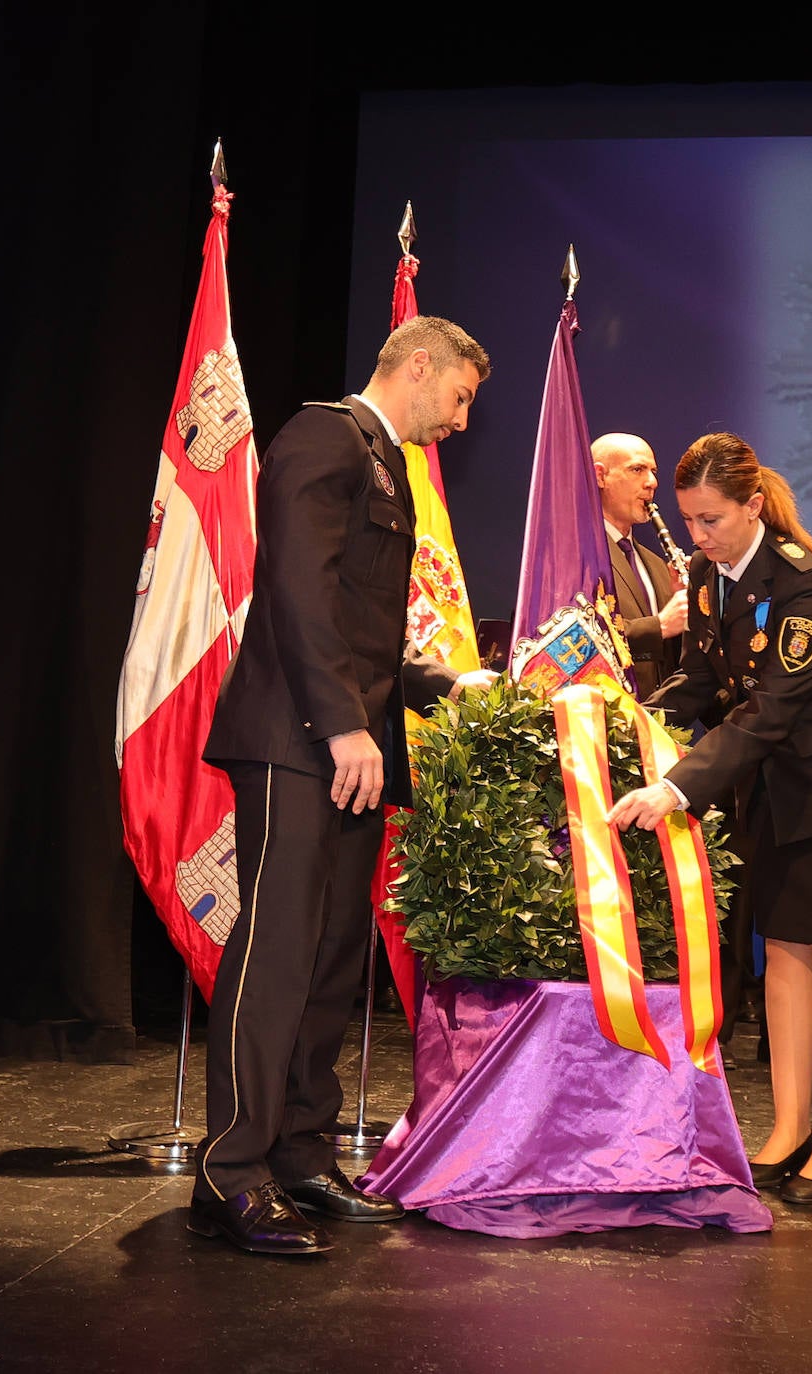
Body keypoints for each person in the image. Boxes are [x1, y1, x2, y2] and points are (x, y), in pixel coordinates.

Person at [189, 316, 492, 1255]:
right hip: (297, 740)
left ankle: (300, 1156)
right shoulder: (324, 434)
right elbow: (298, 594)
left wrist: (445, 686)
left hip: (348, 746)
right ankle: (229, 1174)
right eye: (460, 396)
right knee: (277, 949)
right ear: (416, 366)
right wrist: (342, 724)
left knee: (328, 955)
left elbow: (362, 629)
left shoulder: (386, 460)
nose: (461, 420)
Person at [607, 431, 812, 1205]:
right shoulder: (709, 574)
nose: (696, 535)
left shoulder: (803, 582)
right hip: (777, 788)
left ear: (750, 506)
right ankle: (786, 1128)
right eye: (689, 519)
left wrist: (674, 788)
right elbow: (702, 681)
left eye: (710, 519)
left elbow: (768, 710)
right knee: (782, 951)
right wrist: (620, 718)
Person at [591, 433, 689, 699]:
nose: (652, 482)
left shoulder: (657, 564)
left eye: (653, 471)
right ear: (600, 476)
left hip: (660, 727)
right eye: (637, 469)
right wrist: (661, 625)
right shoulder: (576, 556)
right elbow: (581, 637)